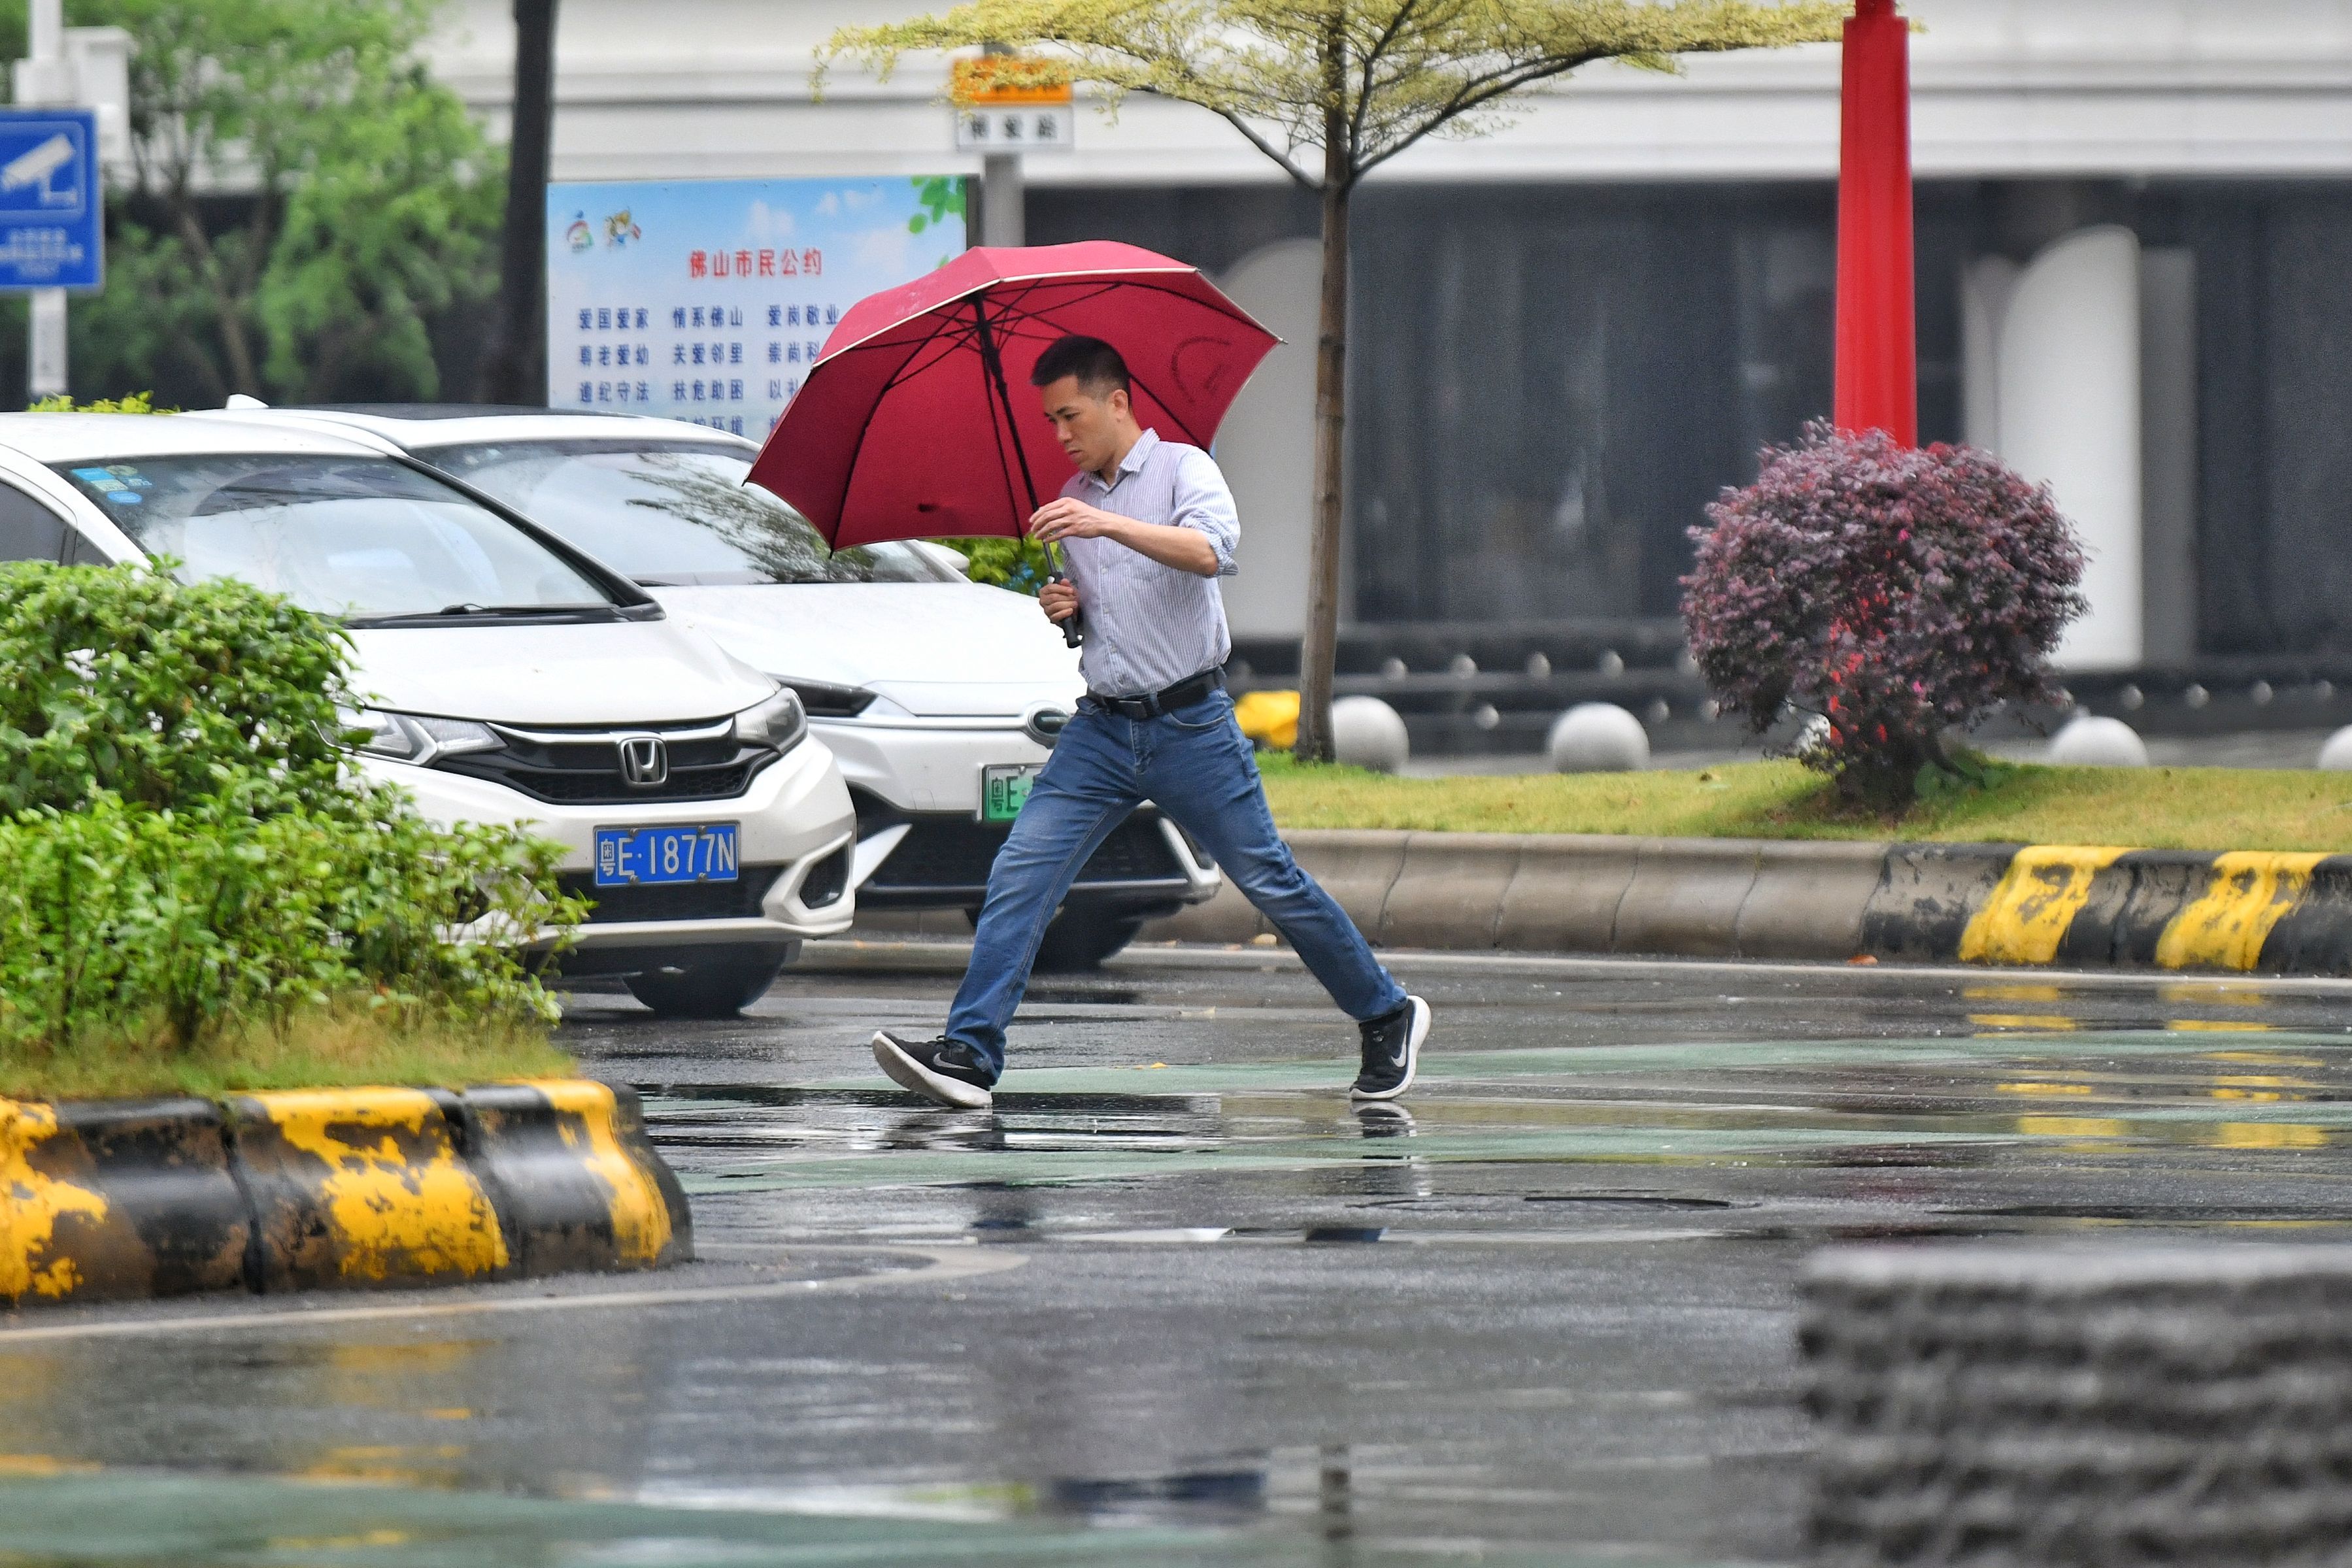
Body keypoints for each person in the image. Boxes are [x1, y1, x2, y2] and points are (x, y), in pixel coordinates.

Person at [871, 333, 1430, 1110]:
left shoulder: (1183, 470)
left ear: (1117, 401)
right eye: (1049, 420)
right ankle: (970, 1052)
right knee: (1020, 873)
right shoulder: (1074, 498)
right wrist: (1070, 611)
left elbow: (1208, 553)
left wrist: (1108, 528)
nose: (1060, 433)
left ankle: (1387, 1012)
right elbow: (1106, 617)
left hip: (1190, 726)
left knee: (1270, 879)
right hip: (1100, 730)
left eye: (1070, 414)